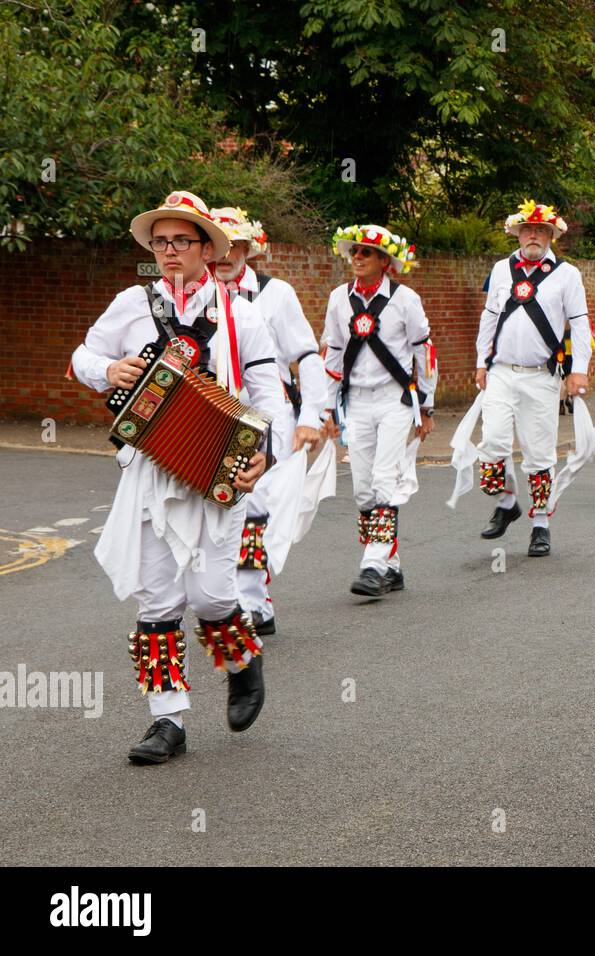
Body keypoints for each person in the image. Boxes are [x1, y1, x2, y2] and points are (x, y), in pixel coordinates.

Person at [70, 190, 279, 763]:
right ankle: (168, 721)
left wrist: (266, 451)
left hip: (220, 469)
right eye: (159, 242)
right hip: (149, 471)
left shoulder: (241, 314)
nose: (167, 251)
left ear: (206, 249)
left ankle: (242, 661)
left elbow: (267, 394)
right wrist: (108, 368)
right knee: (156, 596)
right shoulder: (132, 304)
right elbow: (81, 359)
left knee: (212, 594)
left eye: (179, 241)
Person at [211, 207, 329, 634]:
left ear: (248, 249)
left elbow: (307, 356)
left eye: (234, 246)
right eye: (218, 245)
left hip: (265, 412)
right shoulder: (194, 295)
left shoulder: (275, 294)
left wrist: (311, 416)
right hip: (211, 416)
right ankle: (233, 601)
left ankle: (253, 603)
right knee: (219, 507)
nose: (226, 255)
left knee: (254, 506)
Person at [321, 224, 434, 596]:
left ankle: (372, 565)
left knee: (386, 479)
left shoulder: (405, 299)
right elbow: (333, 353)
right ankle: (392, 567)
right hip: (356, 402)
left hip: (395, 401)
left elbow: (424, 351)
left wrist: (426, 404)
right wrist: (328, 407)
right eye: (354, 251)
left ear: (385, 261)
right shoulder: (339, 298)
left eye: (365, 252)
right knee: (363, 490)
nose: (356, 257)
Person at [474, 200, 591, 557]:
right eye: (527, 230)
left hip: (542, 377)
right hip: (501, 372)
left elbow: (581, 322)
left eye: (541, 230)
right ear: (518, 234)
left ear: (552, 235)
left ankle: (540, 524)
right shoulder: (500, 269)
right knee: (492, 443)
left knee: (539, 453)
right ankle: (507, 501)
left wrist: (578, 368)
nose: (534, 235)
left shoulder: (567, 274)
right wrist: (481, 361)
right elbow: (490, 318)